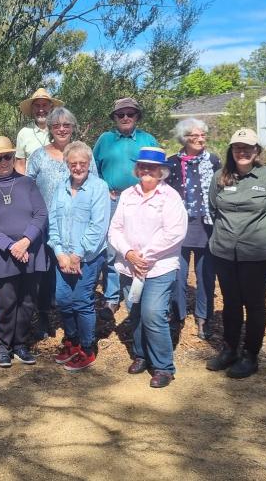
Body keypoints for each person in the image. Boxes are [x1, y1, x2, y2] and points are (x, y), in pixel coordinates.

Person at [206, 128, 266, 379]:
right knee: (231, 303)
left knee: (254, 304)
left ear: (257, 151)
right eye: (237, 147)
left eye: (247, 147)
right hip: (224, 252)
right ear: (231, 151)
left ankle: (251, 355)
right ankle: (230, 350)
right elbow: (213, 209)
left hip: (258, 254)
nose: (242, 152)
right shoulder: (220, 177)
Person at [108, 147, 187, 388]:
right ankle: (141, 355)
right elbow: (115, 229)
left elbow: (175, 232)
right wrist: (130, 254)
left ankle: (164, 367)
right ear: (137, 168)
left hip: (159, 267)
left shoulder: (170, 197)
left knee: (153, 313)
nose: (146, 171)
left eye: (152, 167)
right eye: (142, 166)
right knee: (135, 313)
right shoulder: (128, 195)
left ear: (161, 171)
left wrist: (146, 255)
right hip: (129, 267)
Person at [0, 137, 49, 368]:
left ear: (13, 158)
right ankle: (3, 346)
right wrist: (11, 245)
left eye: (7, 156)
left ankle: (20, 344)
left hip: (31, 252)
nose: (3, 161)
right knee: (6, 303)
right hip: (4, 255)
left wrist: (26, 241)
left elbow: (40, 214)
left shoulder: (28, 184)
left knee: (28, 302)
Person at [27, 107, 96, 338]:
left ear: (73, 127)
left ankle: (76, 324)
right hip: (45, 225)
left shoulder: (83, 154)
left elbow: (94, 183)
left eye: (66, 125)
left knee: (74, 270)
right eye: (57, 125)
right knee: (44, 273)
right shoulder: (38, 155)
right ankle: (44, 317)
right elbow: (28, 187)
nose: (62, 129)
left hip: (76, 226)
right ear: (50, 129)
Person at [93, 97, 159, 318]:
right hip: (112, 199)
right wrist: (104, 189)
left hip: (142, 201)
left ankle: (142, 293)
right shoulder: (105, 140)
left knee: (141, 246)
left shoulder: (147, 139)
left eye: (130, 114)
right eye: (120, 115)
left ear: (137, 117)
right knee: (112, 248)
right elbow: (94, 169)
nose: (125, 118)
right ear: (114, 118)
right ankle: (112, 297)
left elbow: (157, 170)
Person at [47, 141, 109, 372]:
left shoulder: (98, 187)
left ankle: (87, 348)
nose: (78, 167)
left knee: (82, 302)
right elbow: (53, 222)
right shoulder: (61, 188)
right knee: (63, 299)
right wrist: (60, 253)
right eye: (73, 163)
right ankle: (71, 341)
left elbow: (98, 225)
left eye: (82, 163)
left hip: (89, 257)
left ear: (89, 163)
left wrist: (77, 255)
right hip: (63, 256)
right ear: (67, 164)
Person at [166, 118, 221, 340]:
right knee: (177, 275)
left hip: (206, 226)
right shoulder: (171, 163)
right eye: (194, 136)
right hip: (179, 227)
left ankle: (203, 318)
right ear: (184, 139)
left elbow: (222, 189)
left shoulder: (214, 161)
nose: (200, 139)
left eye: (202, 135)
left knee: (205, 276)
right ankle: (176, 317)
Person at [15, 88, 63, 175]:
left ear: (51, 107)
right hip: (31, 187)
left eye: (44, 105)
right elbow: (20, 165)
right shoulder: (24, 133)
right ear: (32, 108)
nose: (41, 110)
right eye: (37, 106)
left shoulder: (60, 131)